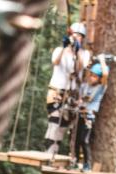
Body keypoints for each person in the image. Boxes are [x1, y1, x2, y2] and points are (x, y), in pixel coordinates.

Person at [43, 22, 92, 157]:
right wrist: (66, 48)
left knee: (63, 126)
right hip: (56, 91)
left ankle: (54, 150)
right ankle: (48, 152)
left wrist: (76, 51)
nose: (76, 38)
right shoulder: (60, 50)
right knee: (54, 121)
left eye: (79, 36)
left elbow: (79, 68)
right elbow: (55, 62)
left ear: (83, 38)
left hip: (71, 94)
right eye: (74, 35)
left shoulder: (85, 54)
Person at [76, 57, 108, 171]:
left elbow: (105, 75)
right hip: (80, 114)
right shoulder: (85, 86)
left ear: (99, 79)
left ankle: (87, 164)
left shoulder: (100, 87)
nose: (92, 77)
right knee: (76, 139)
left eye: (95, 76)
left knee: (84, 140)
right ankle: (75, 161)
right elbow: (80, 99)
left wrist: (102, 60)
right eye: (91, 75)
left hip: (89, 117)